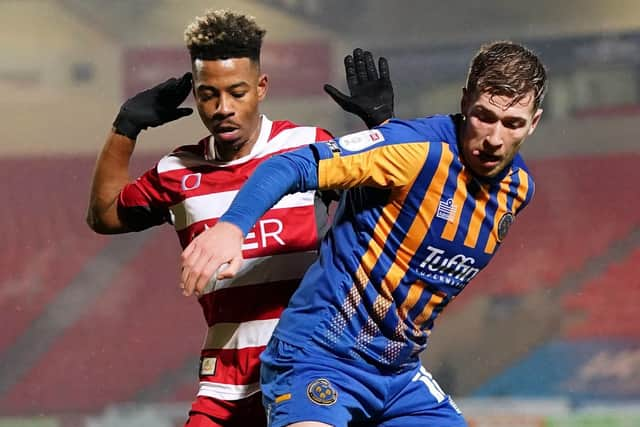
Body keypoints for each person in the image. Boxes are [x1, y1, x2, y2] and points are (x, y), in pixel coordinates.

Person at [179, 40, 547, 427]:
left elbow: (410, 217)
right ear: (464, 102)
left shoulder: (518, 189)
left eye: (512, 124)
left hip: (398, 377)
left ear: (534, 122)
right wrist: (231, 227)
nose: (494, 138)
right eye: (483, 117)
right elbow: (291, 165)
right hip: (318, 357)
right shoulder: (416, 149)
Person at [86, 8, 394, 427]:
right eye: (208, 94)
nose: (222, 108)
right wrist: (126, 127)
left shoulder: (306, 145)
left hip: (310, 363)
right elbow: (104, 215)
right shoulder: (178, 171)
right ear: (194, 94)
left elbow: (390, 205)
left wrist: (384, 128)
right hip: (224, 382)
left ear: (261, 87)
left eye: (237, 92)